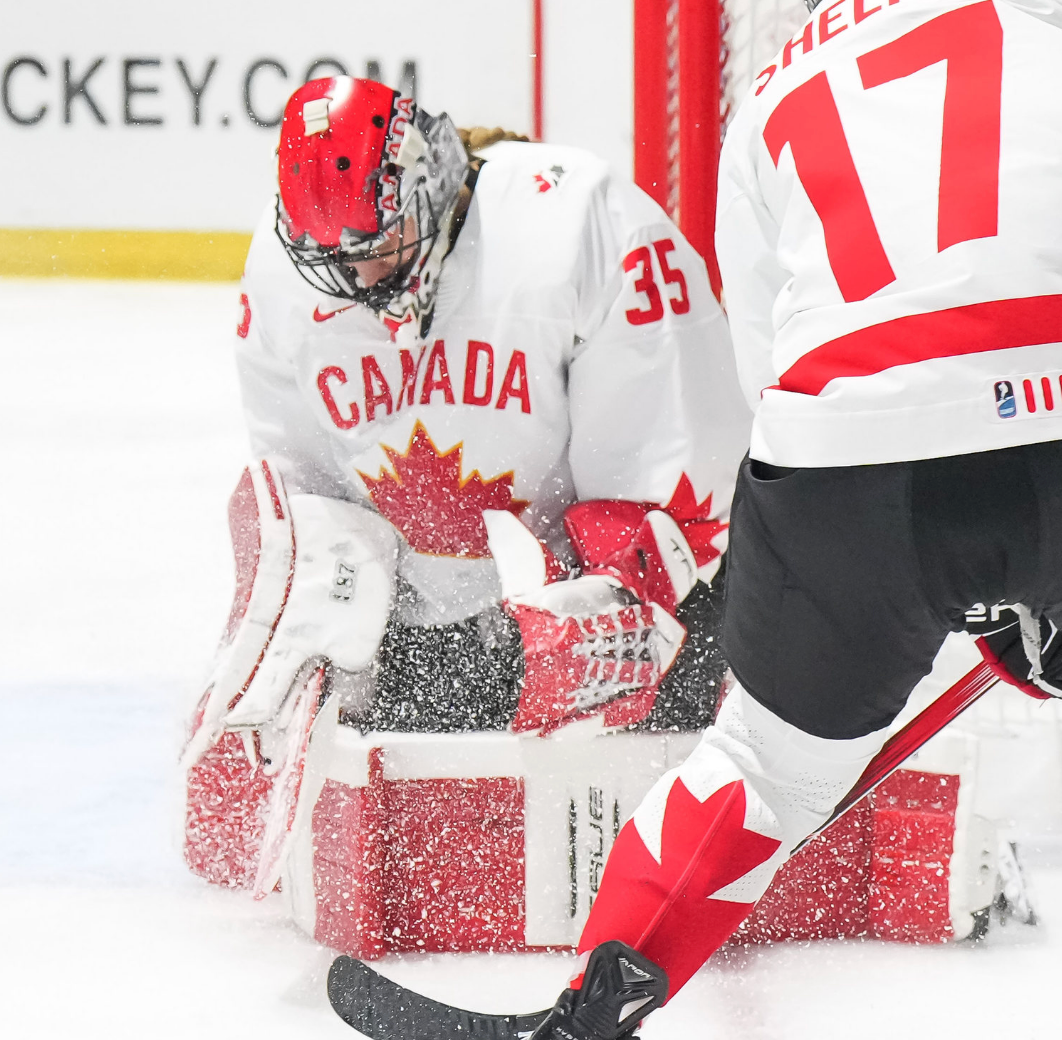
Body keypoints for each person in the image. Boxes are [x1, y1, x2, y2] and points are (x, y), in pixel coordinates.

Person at [529, 1, 1062, 1036]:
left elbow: (766, 373)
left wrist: (948, 561)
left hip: (841, 474)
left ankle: (595, 993)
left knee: (759, 770)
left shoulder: (770, 88)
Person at [178, 77, 752, 890]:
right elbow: (306, 507)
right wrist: (301, 631)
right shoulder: (285, 283)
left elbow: (675, 484)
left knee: (669, 735)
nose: (360, 279)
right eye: (333, 260)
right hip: (444, 623)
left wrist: (605, 625)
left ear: (433, 177)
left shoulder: (581, 226)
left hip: (623, 590)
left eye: (379, 242)